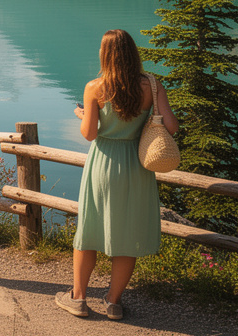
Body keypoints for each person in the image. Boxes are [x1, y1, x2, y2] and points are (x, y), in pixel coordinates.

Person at [56, 29, 177, 321]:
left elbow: (89, 134)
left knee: (88, 231)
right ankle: (113, 301)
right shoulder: (151, 85)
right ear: (133, 52)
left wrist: (81, 114)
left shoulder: (95, 87)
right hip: (137, 165)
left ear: (105, 55)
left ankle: (79, 298)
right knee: (128, 234)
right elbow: (171, 127)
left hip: (103, 163)